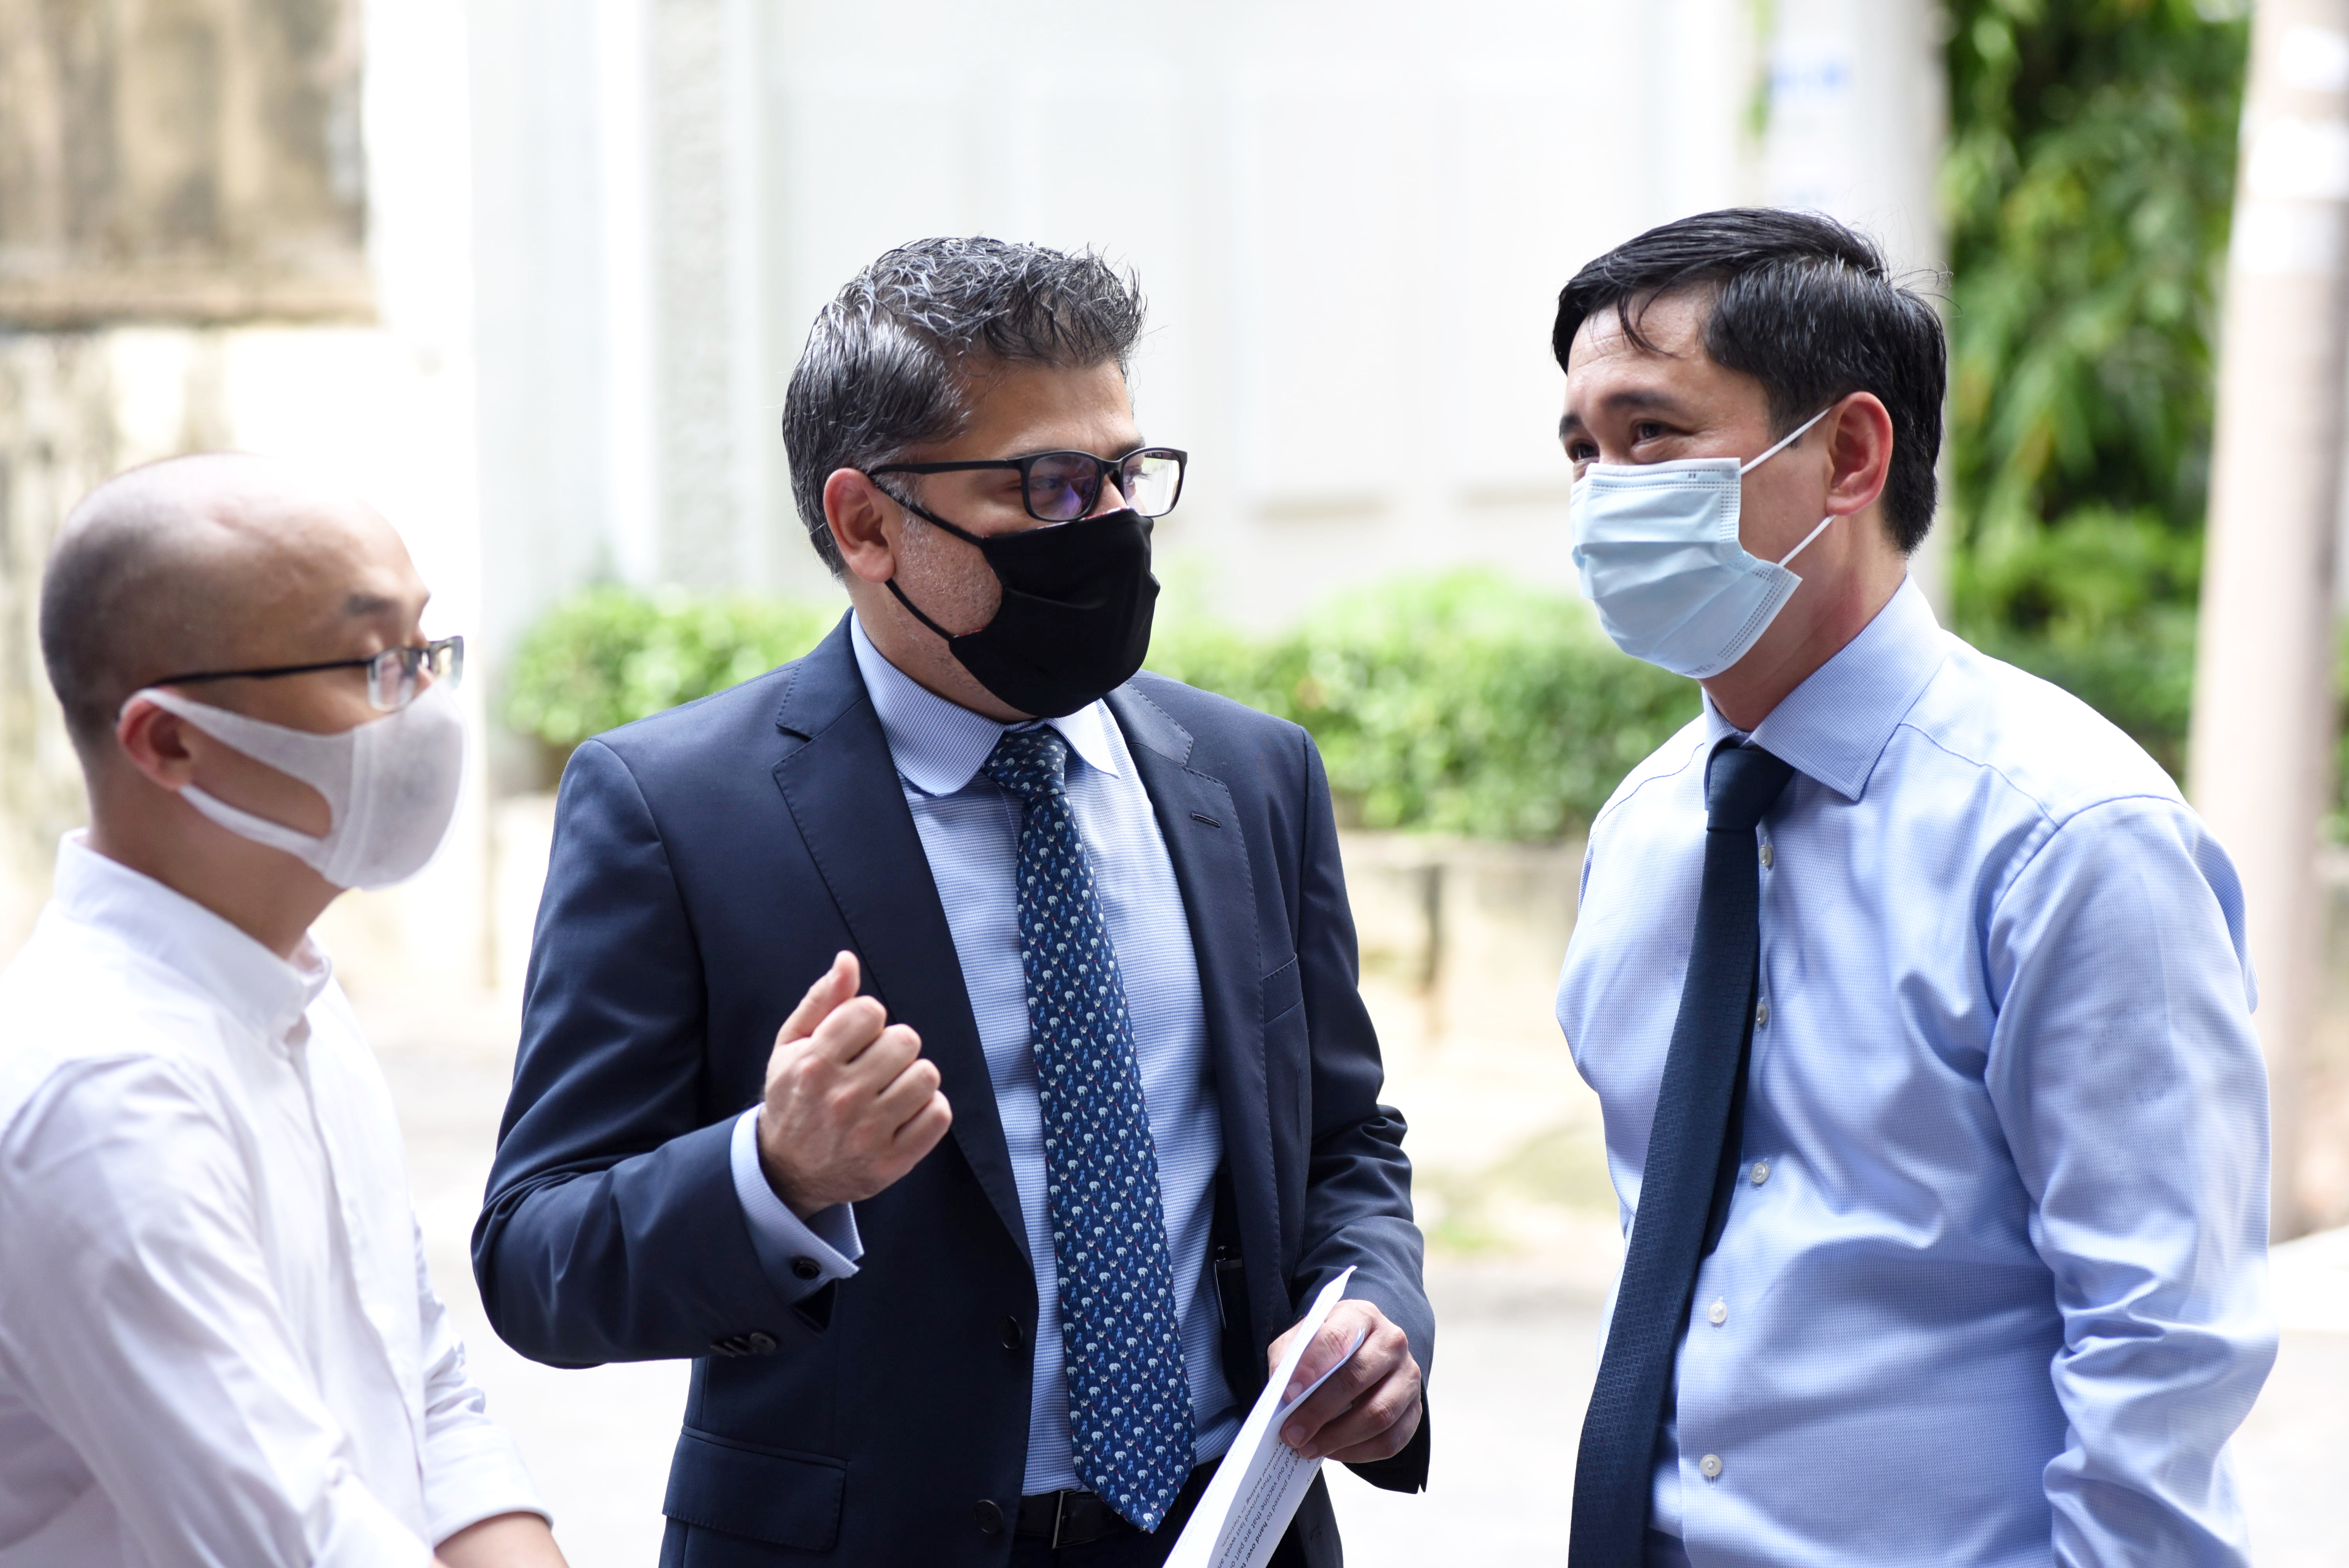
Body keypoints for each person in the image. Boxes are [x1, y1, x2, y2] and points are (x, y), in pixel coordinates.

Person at [474, 237, 1431, 1568]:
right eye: (1047, 486)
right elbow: (538, 1260)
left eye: (1124, 476)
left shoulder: (1250, 774)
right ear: (868, 524)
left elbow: (1339, 1140)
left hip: (1231, 1531)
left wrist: (1377, 1311)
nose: (1105, 526)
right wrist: (774, 1173)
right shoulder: (676, 807)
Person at [1550, 210, 2273, 1568]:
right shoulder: (1647, 831)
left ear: (1849, 455)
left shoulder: (2068, 837)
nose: (1602, 494)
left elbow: (2161, 1343)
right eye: (1583, 449)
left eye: (1653, 435)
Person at [0, 454, 565, 1568]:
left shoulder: (290, 989)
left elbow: (425, 1398)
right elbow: (291, 1541)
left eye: (423, 649)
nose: (426, 706)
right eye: (370, 663)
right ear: (168, 741)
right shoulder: (104, 1094)